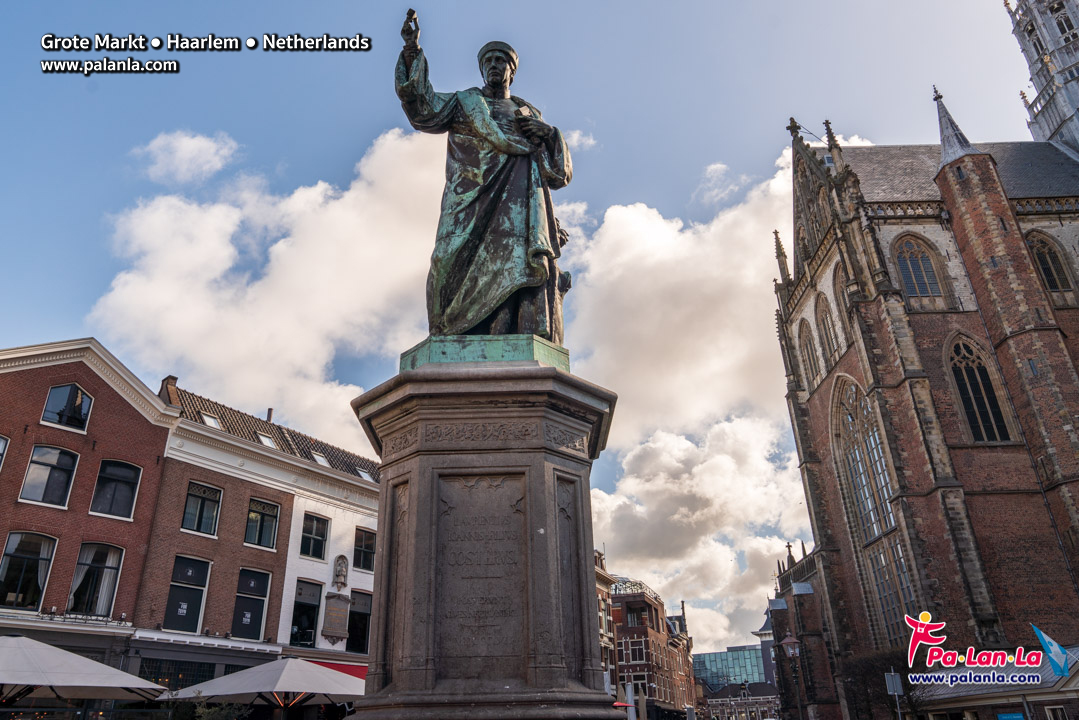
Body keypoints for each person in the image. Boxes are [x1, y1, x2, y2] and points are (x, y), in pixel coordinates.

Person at [396, 10, 572, 343]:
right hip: (467, 199)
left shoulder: (528, 115)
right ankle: (447, 335)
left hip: (516, 203)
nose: (493, 65)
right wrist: (411, 50)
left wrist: (550, 135)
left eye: (500, 60)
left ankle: (504, 334)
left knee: (512, 265)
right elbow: (423, 109)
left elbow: (556, 174)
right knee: (446, 261)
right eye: (488, 61)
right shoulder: (465, 103)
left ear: (511, 70)